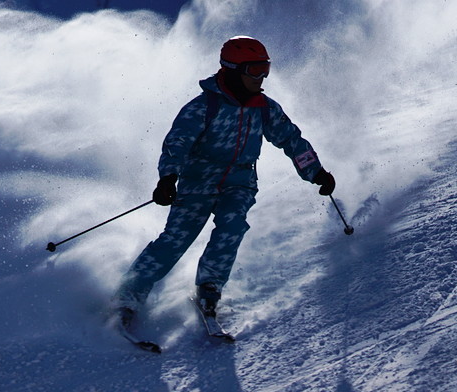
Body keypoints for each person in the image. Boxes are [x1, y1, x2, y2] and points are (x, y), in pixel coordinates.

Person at [114, 36, 335, 328]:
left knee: (231, 226)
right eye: (255, 70)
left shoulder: (264, 108)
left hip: (239, 183)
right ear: (233, 69)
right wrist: (168, 178)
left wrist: (316, 172)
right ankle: (129, 294)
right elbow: (176, 144)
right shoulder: (204, 107)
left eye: (265, 69)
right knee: (175, 240)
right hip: (198, 182)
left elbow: (291, 140)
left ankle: (209, 288)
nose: (262, 77)